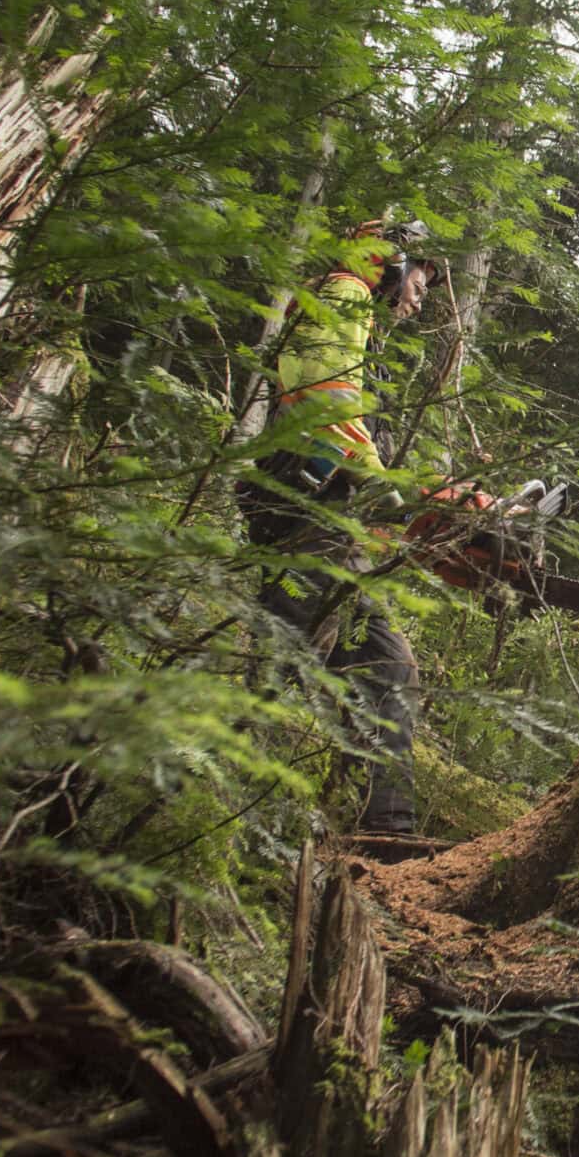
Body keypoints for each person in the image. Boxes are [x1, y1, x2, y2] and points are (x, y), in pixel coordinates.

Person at [242, 218, 443, 835]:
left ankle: (389, 829)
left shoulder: (358, 313)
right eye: (420, 281)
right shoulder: (342, 295)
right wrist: (380, 485)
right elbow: (330, 404)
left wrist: (386, 499)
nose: (420, 296)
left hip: (334, 518)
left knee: (386, 667)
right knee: (278, 661)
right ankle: (217, 808)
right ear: (390, 260)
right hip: (306, 512)